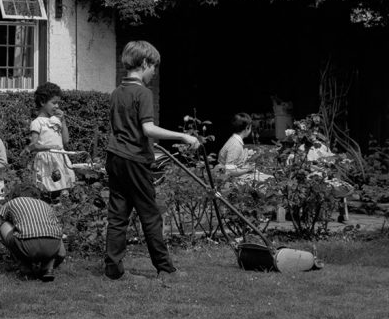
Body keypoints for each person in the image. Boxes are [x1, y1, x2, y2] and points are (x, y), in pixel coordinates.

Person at [104, 40, 200, 282]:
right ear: (144, 63)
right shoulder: (143, 93)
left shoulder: (116, 92)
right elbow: (147, 129)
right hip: (134, 161)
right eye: (154, 67)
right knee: (150, 215)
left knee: (118, 215)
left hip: (114, 158)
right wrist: (183, 136)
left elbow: (125, 128)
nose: (154, 73)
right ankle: (166, 269)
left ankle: (113, 269)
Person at [0, 187, 66, 282]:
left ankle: (25, 267)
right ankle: (47, 268)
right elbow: (61, 252)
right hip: (53, 246)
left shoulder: (12, 203)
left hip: (27, 246)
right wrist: (53, 260)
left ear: (14, 196)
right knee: (50, 231)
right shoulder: (46, 206)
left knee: (2, 223)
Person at [27, 82, 76, 195]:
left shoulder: (56, 120)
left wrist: (63, 121)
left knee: (64, 189)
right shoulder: (37, 123)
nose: (57, 106)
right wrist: (48, 147)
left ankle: (63, 209)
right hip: (46, 161)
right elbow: (33, 146)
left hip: (60, 158)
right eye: (54, 103)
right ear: (43, 102)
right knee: (49, 189)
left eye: (58, 103)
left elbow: (65, 141)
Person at [216, 112, 272, 184]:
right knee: (270, 181)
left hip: (231, 176)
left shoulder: (234, 140)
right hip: (230, 180)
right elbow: (230, 171)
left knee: (266, 177)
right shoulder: (235, 145)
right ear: (247, 128)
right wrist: (247, 169)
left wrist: (246, 154)